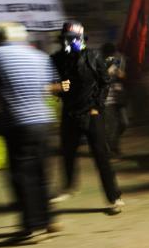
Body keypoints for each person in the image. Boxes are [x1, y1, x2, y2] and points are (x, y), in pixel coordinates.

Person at [0, 22, 64, 241]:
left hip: (17, 123)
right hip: (43, 122)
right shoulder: (39, 56)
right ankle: (48, 220)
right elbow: (49, 87)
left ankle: (33, 227)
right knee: (42, 173)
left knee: (22, 175)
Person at [50, 21, 124, 214]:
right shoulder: (58, 59)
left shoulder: (93, 56)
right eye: (66, 39)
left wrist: (96, 107)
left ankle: (114, 197)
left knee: (101, 157)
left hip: (91, 115)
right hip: (70, 113)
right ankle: (69, 187)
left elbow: (104, 82)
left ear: (81, 39)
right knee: (67, 153)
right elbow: (52, 82)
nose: (69, 43)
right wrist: (58, 88)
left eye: (73, 39)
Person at [101, 43, 128, 156]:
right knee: (111, 125)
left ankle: (112, 145)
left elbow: (122, 76)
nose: (112, 56)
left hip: (119, 98)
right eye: (110, 54)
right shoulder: (99, 63)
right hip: (107, 99)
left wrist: (118, 70)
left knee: (124, 123)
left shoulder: (116, 62)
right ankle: (112, 148)